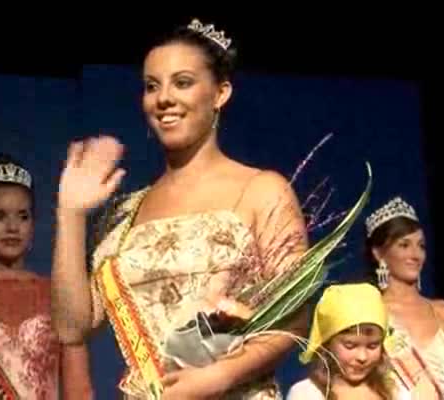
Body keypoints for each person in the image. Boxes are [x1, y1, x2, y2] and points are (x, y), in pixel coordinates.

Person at [51, 18, 311, 399]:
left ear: (220, 93)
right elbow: (71, 328)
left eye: (183, 82)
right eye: (151, 86)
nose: (164, 98)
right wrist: (70, 212)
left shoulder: (262, 190)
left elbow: (295, 316)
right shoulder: (123, 214)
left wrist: (218, 377)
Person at [0, 154, 93, 399]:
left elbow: (79, 392)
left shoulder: (59, 297)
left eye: (23, 216)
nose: (13, 227)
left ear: (33, 225)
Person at [364, 197, 444, 399]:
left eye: (421, 246)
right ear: (379, 254)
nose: (416, 254)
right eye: (404, 245)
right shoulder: (370, 309)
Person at [287, 283, 406, 400]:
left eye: (372, 346)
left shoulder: (395, 391)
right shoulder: (306, 394)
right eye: (350, 346)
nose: (362, 357)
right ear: (328, 343)